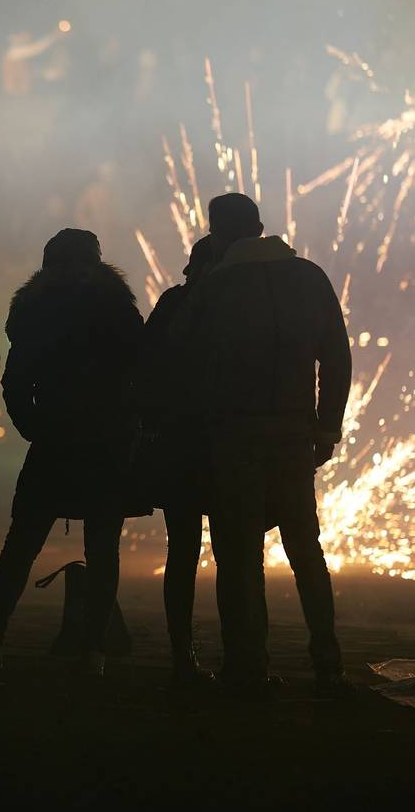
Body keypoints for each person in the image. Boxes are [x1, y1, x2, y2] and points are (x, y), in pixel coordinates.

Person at [174, 193, 352, 699]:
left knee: (238, 555)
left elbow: (182, 354)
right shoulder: (310, 277)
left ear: (218, 235)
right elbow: (336, 358)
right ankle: (328, 662)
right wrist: (326, 427)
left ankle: (247, 667)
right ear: (261, 226)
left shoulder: (217, 286)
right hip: (295, 433)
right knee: (305, 548)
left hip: (233, 435)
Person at [0, 229, 144, 675]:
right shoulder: (118, 308)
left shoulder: (34, 310)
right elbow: (142, 374)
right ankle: (93, 653)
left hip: (55, 443)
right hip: (107, 444)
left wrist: (35, 428)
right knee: (103, 549)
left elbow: (15, 382)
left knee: (20, 545)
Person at [136, 236, 215, 687]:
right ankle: (243, 658)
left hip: (178, 444)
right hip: (219, 441)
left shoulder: (173, 303)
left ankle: (181, 654)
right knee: (233, 552)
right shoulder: (229, 305)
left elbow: (145, 365)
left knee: (182, 550)